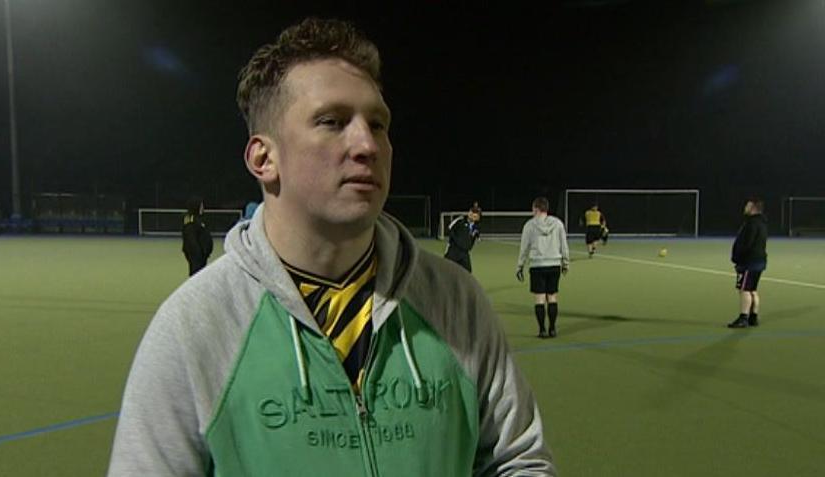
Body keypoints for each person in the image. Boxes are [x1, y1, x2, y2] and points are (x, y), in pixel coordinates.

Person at [108, 18, 556, 476]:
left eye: (378, 124)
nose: (367, 144)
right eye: (332, 121)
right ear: (264, 158)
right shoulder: (194, 326)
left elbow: (519, 461)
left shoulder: (456, 301)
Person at [516, 197, 570, 338]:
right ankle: (552, 328)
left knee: (540, 298)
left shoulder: (529, 225)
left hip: (537, 265)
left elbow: (524, 247)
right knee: (552, 296)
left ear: (536, 208)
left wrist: (520, 265)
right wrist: (565, 262)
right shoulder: (558, 223)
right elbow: (564, 244)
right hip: (554, 265)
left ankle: (542, 330)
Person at [727, 198, 768, 328]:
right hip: (759, 261)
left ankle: (743, 318)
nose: (745, 207)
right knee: (752, 289)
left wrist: (738, 258)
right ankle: (753, 317)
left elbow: (747, 244)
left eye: (748, 205)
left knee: (744, 290)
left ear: (753, 208)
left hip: (750, 262)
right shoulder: (762, 223)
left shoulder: (751, 224)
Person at [181, 197, 213, 276]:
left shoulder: (199, 219)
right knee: (196, 276)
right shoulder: (191, 221)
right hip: (197, 257)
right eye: (201, 206)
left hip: (202, 257)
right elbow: (191, 241)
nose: (203, 208)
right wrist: (199, 254)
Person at [444, 207, 481, 272]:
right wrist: (455, 240)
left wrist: (469, 246)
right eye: (471, 213)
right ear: (469, 213)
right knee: (446, 271)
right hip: (453, 250)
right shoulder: (460, 220)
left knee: (467, 273)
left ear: (478, 217)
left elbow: (474, 237)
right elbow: (449, 228)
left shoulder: (476, 227)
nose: (472, 215)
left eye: (475, 215)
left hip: (465, 253)